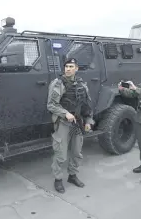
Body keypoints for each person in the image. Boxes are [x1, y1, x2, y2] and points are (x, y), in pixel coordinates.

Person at [47, 58, 94, 193]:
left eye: (71, 66)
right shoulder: (58, 84)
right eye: (66, 66)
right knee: (60, 154)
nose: (68, 69)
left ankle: (72, 176)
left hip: (77, 123)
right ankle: (58, 179)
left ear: (76, 68)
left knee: (76, 152)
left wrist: (88, 121)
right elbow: (51, 105)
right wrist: (65, 113)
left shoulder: (82, 85)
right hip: (63, 123)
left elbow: (87, 106)